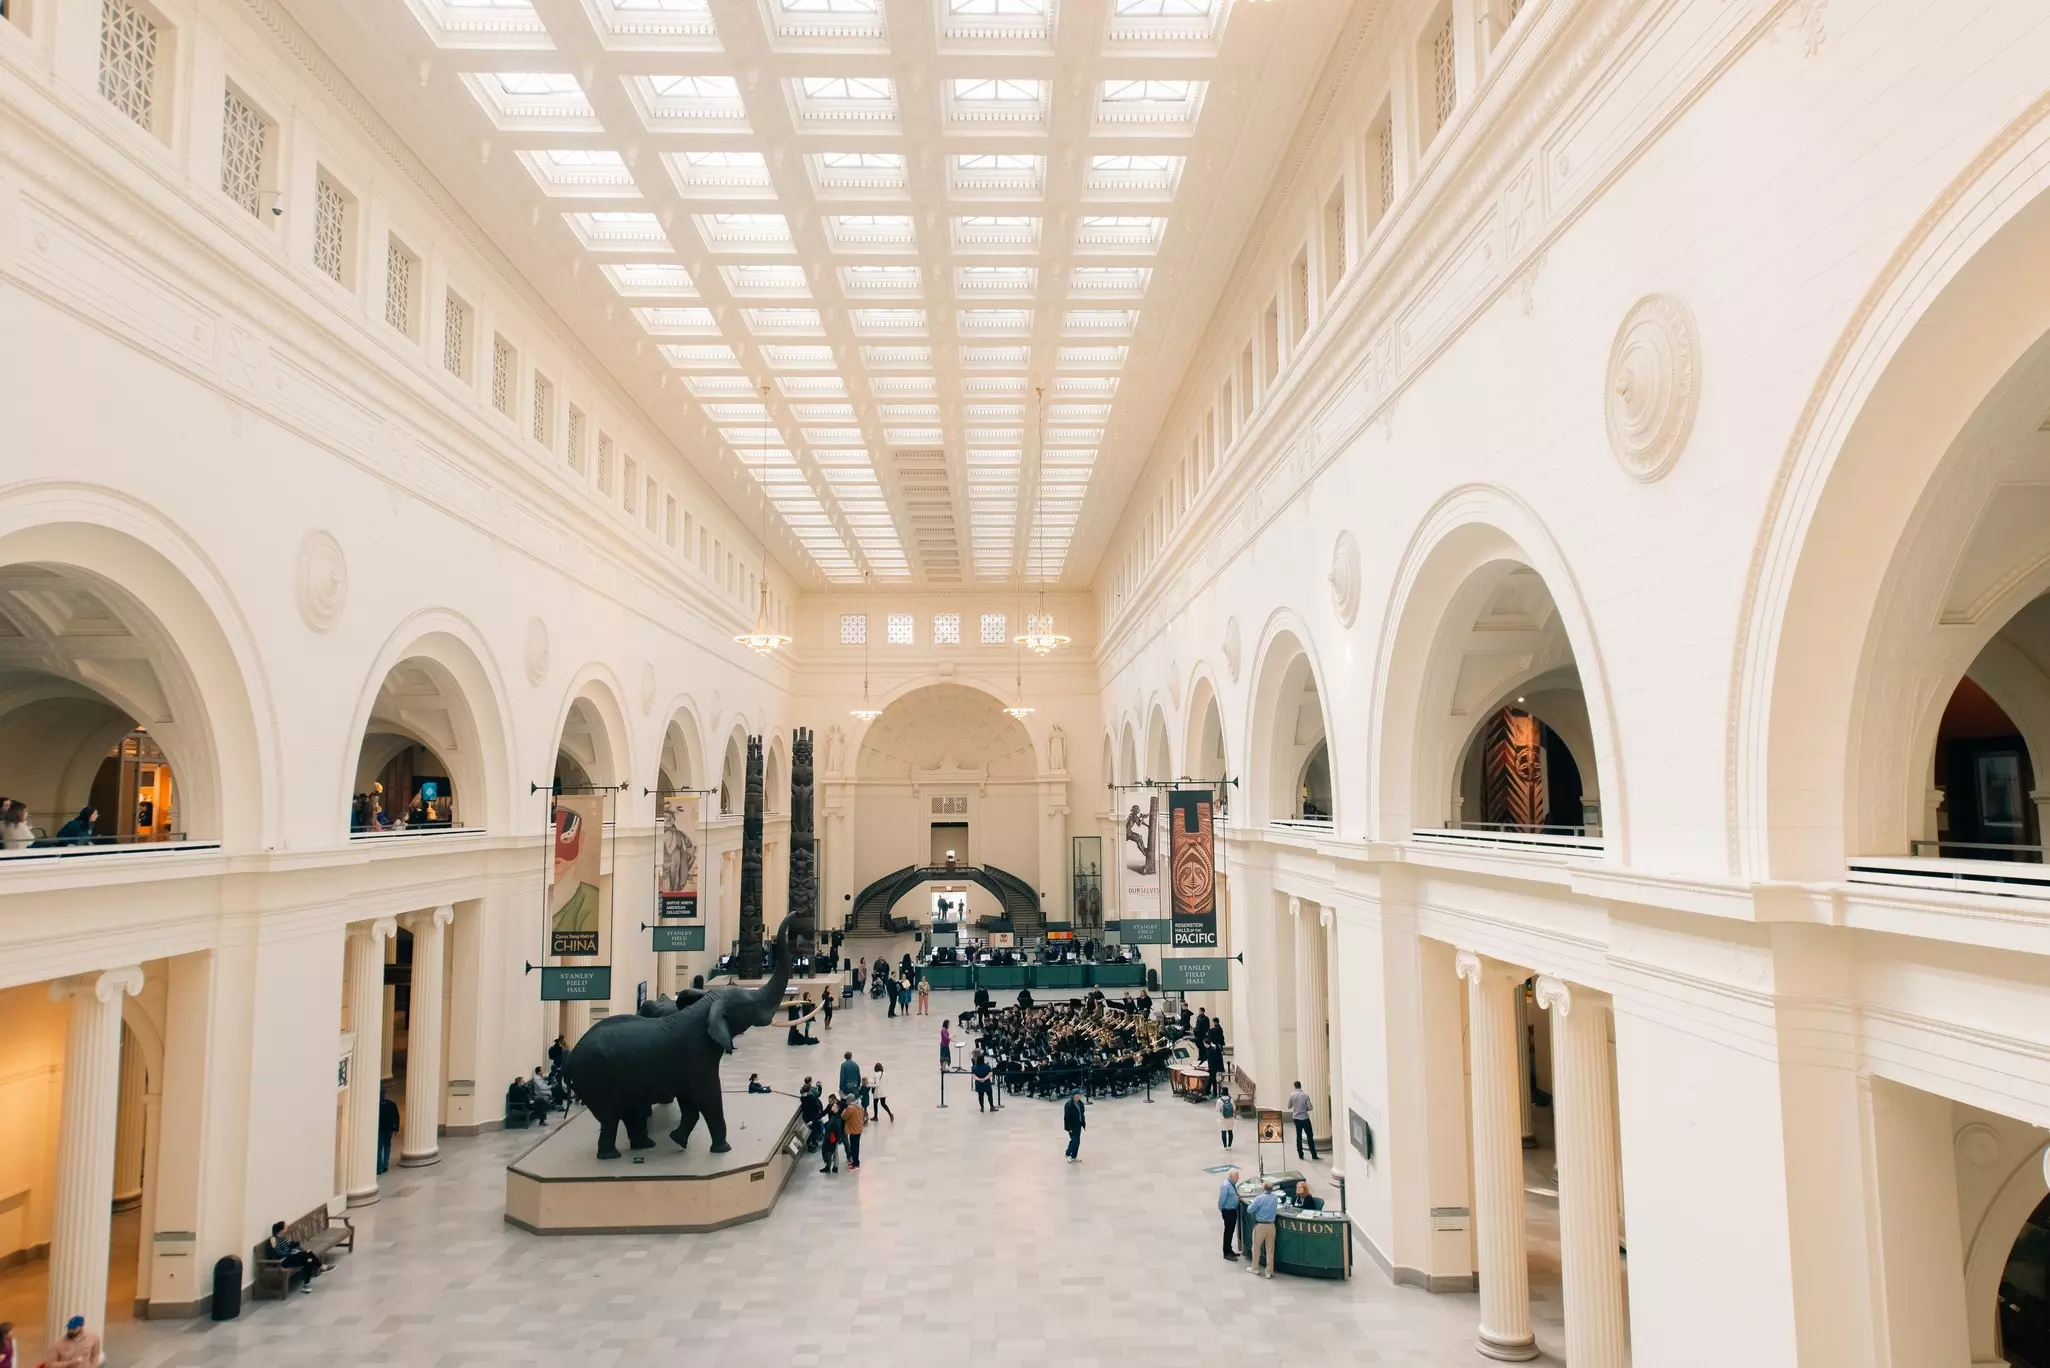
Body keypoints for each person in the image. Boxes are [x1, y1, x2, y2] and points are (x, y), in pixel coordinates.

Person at [265, 1219, 322, 1293]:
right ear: (281, 1230)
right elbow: (279, 1253)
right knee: (307, 1257)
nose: (287, 1228)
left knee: (308, 1259)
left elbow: (288, 1247)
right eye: (285, 1227)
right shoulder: (274, 1239)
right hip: (284, 1260)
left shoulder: (283, 1237)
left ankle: (307, 1284)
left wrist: (294, 1245)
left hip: (290, 1257)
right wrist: (291, 1250)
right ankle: (321, 1267)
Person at [1247, 1182, 1281, 1278]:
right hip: (1271, 1226)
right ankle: (1269, 1271)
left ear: (1263, 1188)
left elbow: (1250, 1209)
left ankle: (1255, 1268)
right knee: (1270, 1249)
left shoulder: (1259, 1198)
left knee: (1256, 1248)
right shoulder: (1275, 1198)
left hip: (1260, 1226)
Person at [1288, 1080, 1318, 1160]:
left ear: (1295, 1086)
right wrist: (1305, 1108)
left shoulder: (1292, 1095)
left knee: (1299, 1136)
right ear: (1301, 1086)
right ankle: (1314, 1155)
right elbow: (1311, 1108)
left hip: (1296, 1118)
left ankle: (1300, 1155)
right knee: (1309, 1136)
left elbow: (1289, 1106)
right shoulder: (1305, 1096)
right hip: (1304, 1118)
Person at [1218, 1168, 1242, 1261]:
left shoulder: (1231, 1184)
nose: (1238, 1178)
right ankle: (1226, 1252)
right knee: (1228, 1232)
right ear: (1232, 1176)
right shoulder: (1226, 1186)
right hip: (1228, 1211)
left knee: (1231, 1232)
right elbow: (1221, 1200)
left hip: (1232, 1211)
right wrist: (1222, 1209)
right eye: (1237, 1176)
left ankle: (1229, 1250)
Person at [377, 1089, 400, 1174]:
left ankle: (379, 1167)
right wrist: (396, 1128)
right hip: (388, 1129)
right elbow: (396, 1116)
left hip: (380, 1129)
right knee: (387, 1146)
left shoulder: (377, 1105)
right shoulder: (392, 1104)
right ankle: (385, 1165)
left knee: (379, 1148)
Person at [819, 1096, 844, 1174]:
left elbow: (838, 1129)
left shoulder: (837, 1118)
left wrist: (838, 1138)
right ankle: (828, 1166)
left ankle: (834, 1167)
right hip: (830, 1136)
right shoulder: (833, 1115)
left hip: (833, 1137)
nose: (831, 1106)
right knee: (829, 1151)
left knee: (833, 1152)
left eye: (833, 1105)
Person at [842, 1093, 866, 1169]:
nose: (846, 1101)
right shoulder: (859, 1105)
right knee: (856, 1146)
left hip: (854, 1129)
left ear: (850, 1100)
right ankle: (855, 1162)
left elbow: (844, 1117)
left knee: (854, 1147)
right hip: (858, 1128)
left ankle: (856, 1164)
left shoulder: (851, 1108)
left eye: (847, 1099)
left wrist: (844, 1111)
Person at [800, 1079, 825, 1152]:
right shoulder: (812, 1098)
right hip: (813, 1117)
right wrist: (819, 1086)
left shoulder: (803, 1098)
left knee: (809, 1132)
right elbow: (818, 1094)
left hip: (806, 1117)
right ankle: (814, 1144)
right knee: (813, 1131)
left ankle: (810, 1144)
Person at [1062, 1090, 1086, 1160]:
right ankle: (1068, 1153)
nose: (1078, 1097)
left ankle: (1074, 1156)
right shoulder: (1068, 1105)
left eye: (1079, 1095)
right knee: (1074, 1140)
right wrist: (1068, 1128)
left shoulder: (1080, 1103)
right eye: (1076, 1095)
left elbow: (1082, 1113)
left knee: (1077, 1141)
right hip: (1072, 1126)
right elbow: (1066, 1117)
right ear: (1073, 1096)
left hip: (1079, 1124)